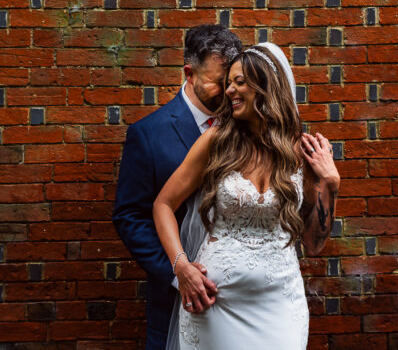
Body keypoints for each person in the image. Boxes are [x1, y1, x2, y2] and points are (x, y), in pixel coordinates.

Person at [153, 43, 340, 350]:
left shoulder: (298, 149)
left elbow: (313, 243)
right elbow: (163, 204)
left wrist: (329, 183)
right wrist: (181, 266)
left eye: (239, 82)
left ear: (264, 85)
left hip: (280, 302)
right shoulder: (217, 140)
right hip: (217, 301)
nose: (230, 91)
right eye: (229, 83)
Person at [112, 25, 244, 350]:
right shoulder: (148, 134)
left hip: (242, 299)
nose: (228, 92)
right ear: (190, 73)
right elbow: (130, 217)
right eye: (218, 82)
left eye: (233, 81)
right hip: (177, 298)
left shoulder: (247, 127)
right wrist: (177, 272)